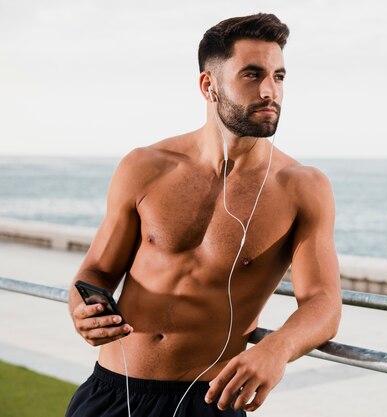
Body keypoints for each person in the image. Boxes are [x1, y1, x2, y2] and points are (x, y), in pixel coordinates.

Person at [66, 13, 341, 417]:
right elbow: (96, 272)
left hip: (206, 401)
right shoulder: (145, 167)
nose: (270, 91)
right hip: (112, 392)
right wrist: (81, 310)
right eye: (252, 74)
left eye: (278, 76)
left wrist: (275, 349)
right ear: (209, 86)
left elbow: (323, 302)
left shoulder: (302, 186)